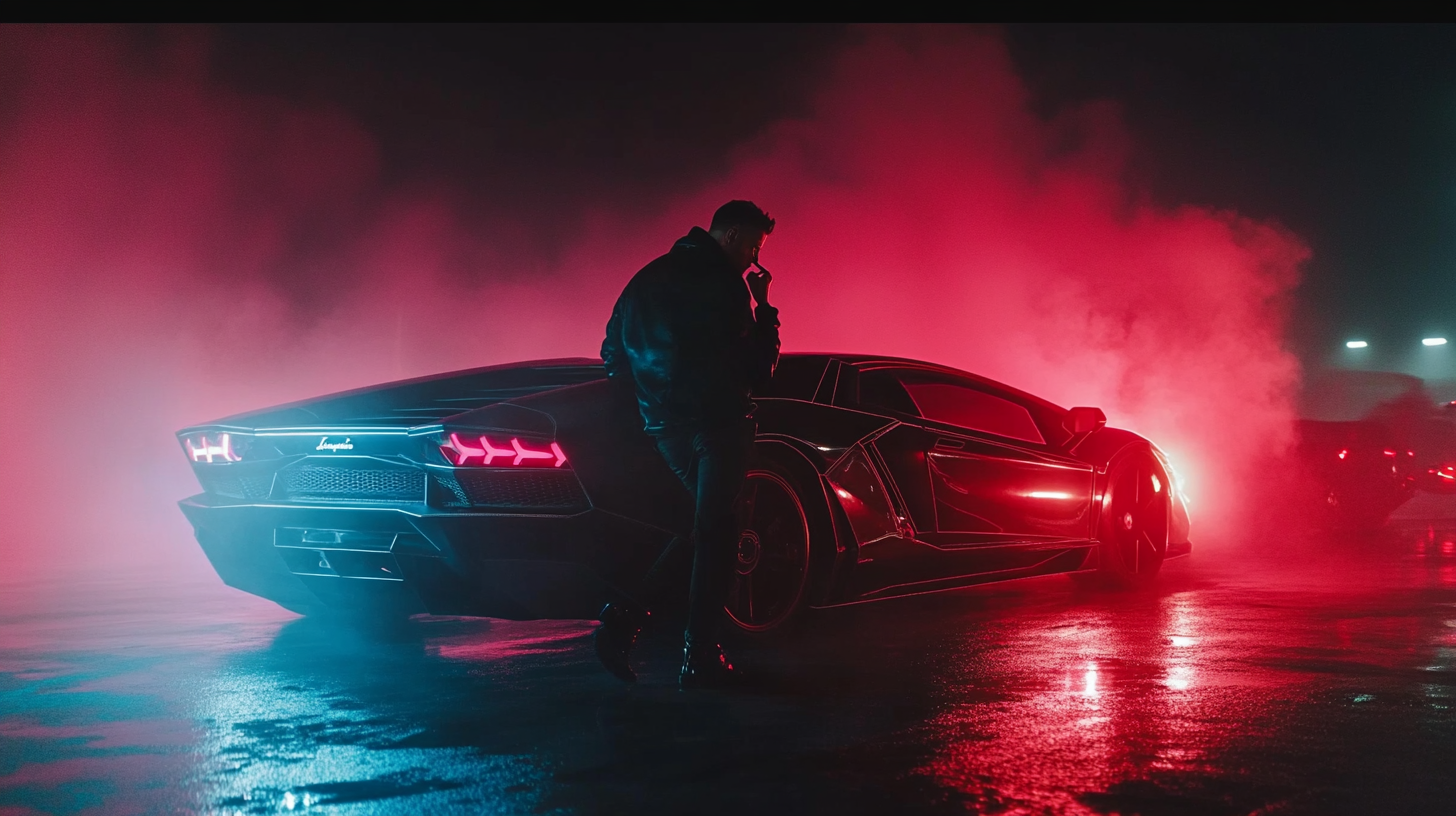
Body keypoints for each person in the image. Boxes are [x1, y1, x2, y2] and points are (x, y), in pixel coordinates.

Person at [597, 200, 780, 689]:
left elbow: (612, 354)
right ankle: (698, 657)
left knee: (701, 528)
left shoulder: (645, 279)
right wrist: (766, 308)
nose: (755, 260)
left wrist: (653, 402)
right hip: (717, 424)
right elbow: (759, 368)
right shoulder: (724, 287)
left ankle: (625, 619)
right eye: (754, 246)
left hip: (664, 428)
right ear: (731, 236)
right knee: (717, 534)